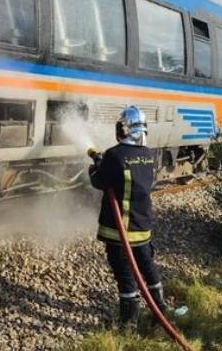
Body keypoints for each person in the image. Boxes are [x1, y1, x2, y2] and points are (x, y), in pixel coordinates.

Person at [89, 105, 165, 325]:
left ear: (124, 129)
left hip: (120, 231)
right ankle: (160, 309)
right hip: (143, 229)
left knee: (125, 274)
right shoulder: (148, 155)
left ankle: (128, 322)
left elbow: (100, 181)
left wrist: (95, 168)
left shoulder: (114, 155)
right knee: (147, 266)